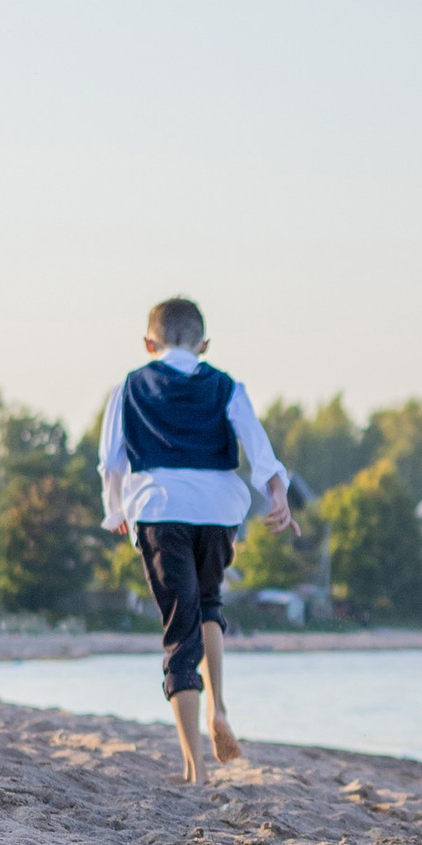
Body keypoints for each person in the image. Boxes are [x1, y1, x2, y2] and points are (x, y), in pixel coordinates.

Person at [100, 297, 294, 784]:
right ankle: (219, 708)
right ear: (203, 345)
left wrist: (116, 510)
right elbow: (258, 446)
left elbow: (112, 461)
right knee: (209, 604)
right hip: (218, 510)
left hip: (161, 510)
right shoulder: (226, 385)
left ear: (149, 344)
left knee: (177, 632)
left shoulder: (130, 386)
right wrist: (276, 494)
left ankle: (195, 769)